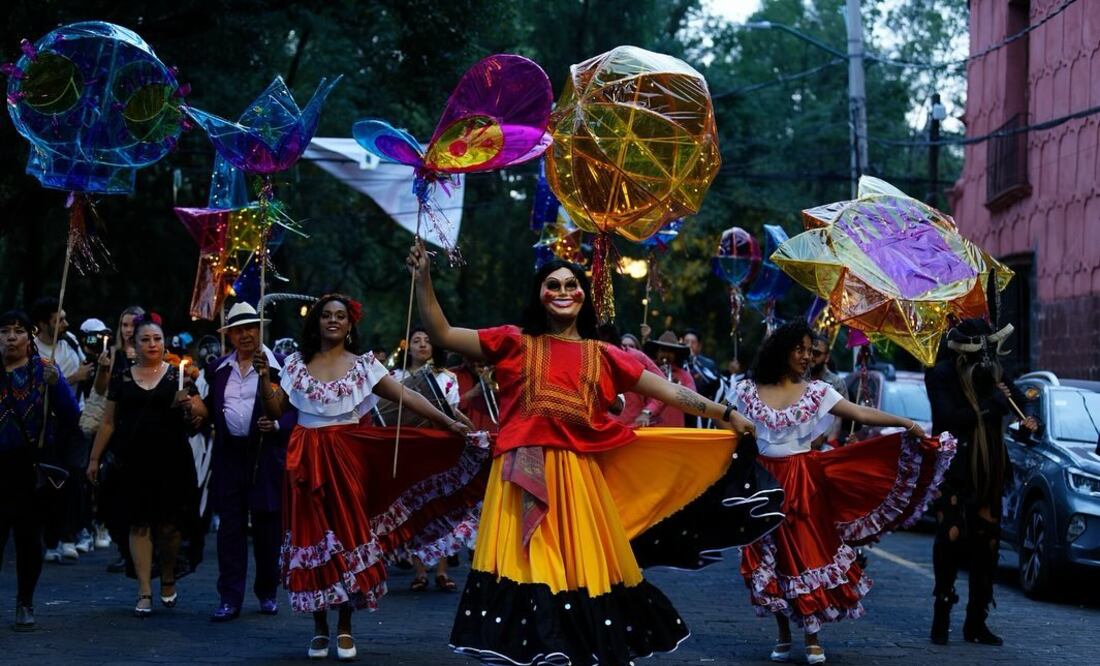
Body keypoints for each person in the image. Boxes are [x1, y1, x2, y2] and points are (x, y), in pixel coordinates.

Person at [407, 243, 782, 665]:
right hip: (519, 475)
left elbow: (670, 390)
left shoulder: (603, 355)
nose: (563, 291)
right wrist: (423, 280)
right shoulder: (513, 341)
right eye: (553, 285)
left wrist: (726, 413)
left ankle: (565, 651)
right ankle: (541, 651)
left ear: (584, 294)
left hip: (578, 477)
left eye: (571, 284)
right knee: (530, 564)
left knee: (577, 568)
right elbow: (442, 334)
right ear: (540, 294)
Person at [253, 293, 487, 661]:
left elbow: (408, 397)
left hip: (347, 457)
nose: (332, 321)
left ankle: (344, 627)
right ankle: (318, 629)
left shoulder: (363, 366)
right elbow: (276, 408)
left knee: (347, 536)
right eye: (326, 315)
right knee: (312, 537)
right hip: (304, 459)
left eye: (340, 316)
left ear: (349, 325)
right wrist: (264, 378)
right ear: (316, 322)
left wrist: (447, 421)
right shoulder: (296, 365)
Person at [735, 320, 955, 664]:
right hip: (762, 481)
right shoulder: (748, 390)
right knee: (767, 555)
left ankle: (811, 635)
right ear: (782, 350)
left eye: (811, 351)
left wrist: (905, 422)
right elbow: (730, 428)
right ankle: (782, 632)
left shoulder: (818, 392)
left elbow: (858, 412)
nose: (807, 356)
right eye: (801, 349)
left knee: (805, 555)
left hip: (802, 481)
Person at [924, 318, 1038, 647]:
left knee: (987, 544)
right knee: (950, 536)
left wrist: (1030, 418)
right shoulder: (941, 373)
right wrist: (990, 408)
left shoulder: (995, 375)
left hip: (989, 469)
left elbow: (1021, 397)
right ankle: (942, 613)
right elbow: (946, 417)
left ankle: (976, 622)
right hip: (955, 467)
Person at [86, 315, 208, 617]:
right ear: (134, 344)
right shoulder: (123, 377)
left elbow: (202, 411)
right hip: (133, 462)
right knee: (138, 524)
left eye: (156, 338)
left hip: (171, 462)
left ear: (163, 341)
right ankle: (144, 590)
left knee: (168, 527)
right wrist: (94, 458)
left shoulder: (178, 376)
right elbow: (109, 421)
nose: (152, 344)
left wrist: (189, 405)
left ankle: (167, 576)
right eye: (145, 339)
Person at [205, 303, 297, 622]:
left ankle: (268, 591)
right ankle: (229, 598)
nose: (245, 334)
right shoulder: (217, 369)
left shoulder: (282, 367)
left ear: (260, 330)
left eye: (251, 328)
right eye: (238, 329)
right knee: (229, 529)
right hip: (230, 455)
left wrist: (277, 426)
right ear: (229, 335)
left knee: (267, 529)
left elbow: (297, 413)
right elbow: (208, 408)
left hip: (266, 457)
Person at [0, 310, 80, 631]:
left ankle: (25, 601)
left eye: (18, 331)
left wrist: (57, 384)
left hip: (28, 466)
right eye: (4, 331)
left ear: (29, 337)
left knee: (28, 538)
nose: (10, 337)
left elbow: (71, 415)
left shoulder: (43, 370)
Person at [392, 326, 465, 592]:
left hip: (441, 448)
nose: (422, 345)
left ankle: (442, 572)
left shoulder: (447, 378)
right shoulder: (395, 378)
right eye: (416, 341)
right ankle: (420, 571)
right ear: (407, 346)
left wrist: (472, 430)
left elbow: (453, 411)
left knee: (442, 510)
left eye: (427, 341)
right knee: (416, 510)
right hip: (411, 449)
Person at [597, 324, 666, 428]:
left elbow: (663, 386)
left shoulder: (637, 357)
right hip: (604, 429)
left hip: (636, 429)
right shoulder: (591, 358)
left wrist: (646, 412)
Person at [642, 330, 697, 427]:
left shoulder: (684, 376)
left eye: (671, 351)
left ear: (675, 354)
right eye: (663, 350)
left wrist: (679, 387)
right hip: (650, 428)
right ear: (657, 352)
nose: (666, 354)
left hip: (675, 429)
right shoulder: (647, 372)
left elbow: (694, 403)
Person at [683, 328, 721, 402]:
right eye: (686, 341)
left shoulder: (708, 364)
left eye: (693, 342)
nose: (689, 345)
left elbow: (713, 386)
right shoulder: (677, 361)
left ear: (699, 346)